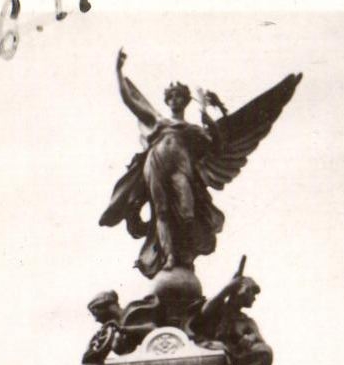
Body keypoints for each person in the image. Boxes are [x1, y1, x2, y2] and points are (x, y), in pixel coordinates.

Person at [99, 50, 301, 281]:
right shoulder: (158, 121)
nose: (175, 100)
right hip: (155, 165)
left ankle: (184, 254)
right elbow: (129, 100)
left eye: (179, 96)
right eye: (171, 96)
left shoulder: (194, 131)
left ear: (185, 100)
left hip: (180, 169)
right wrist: (118, 72)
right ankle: (170, 257)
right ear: (167, 100)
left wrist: (208, 116)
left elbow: (218, 144)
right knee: (162, 211)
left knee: (186, 211)